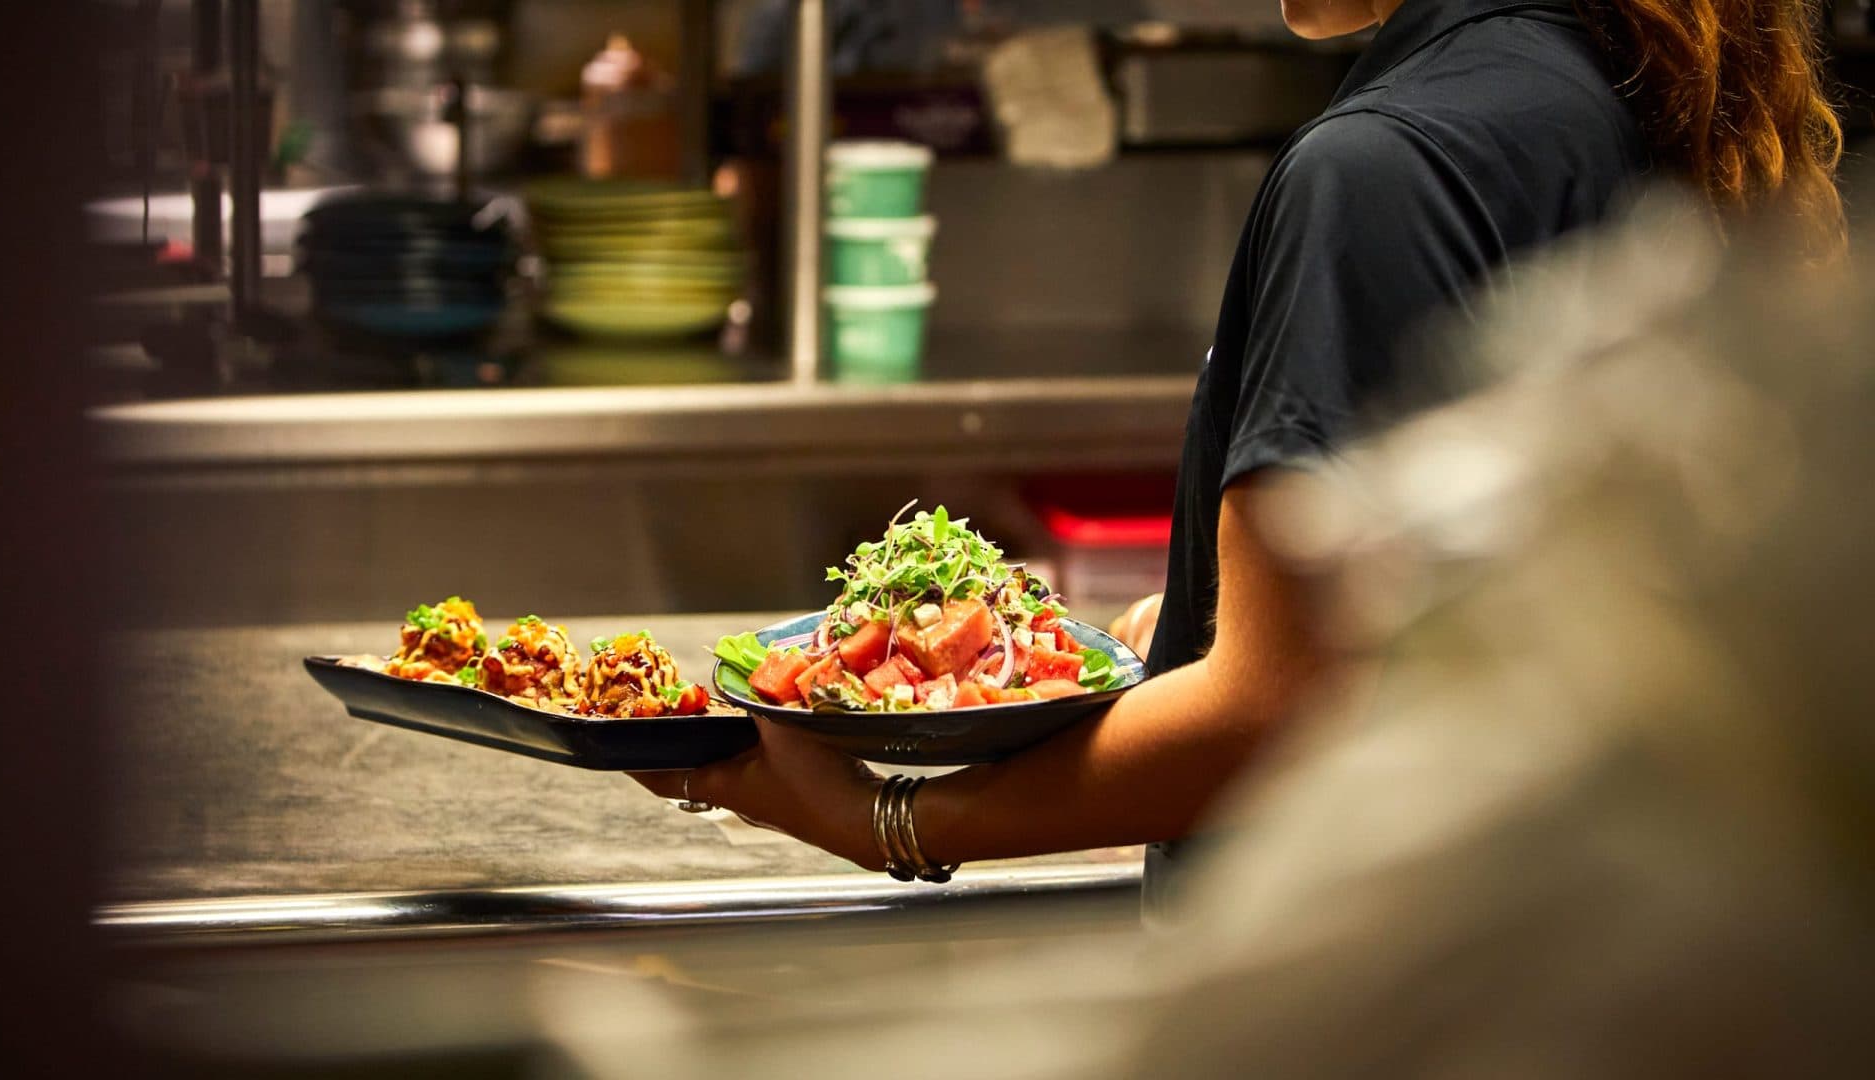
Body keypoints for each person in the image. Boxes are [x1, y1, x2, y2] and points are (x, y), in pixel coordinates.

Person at [635, 0, 1847, 891]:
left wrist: (881, 819)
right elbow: (1499, 585)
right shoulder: (1617, 81)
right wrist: (1195, 619)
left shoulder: (1379, 168)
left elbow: (1273, 714)